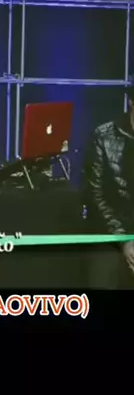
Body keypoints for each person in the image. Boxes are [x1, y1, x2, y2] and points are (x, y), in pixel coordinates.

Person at [84, 84, 134, 286]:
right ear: (132, 101)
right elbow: (95, 194)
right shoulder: (104, 135)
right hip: (109, 232)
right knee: (104, 273)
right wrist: (124, 241)